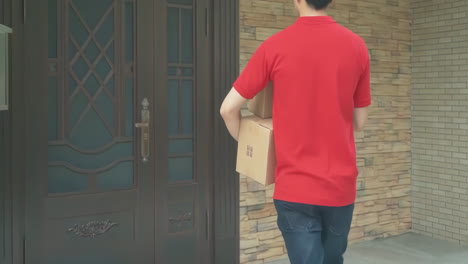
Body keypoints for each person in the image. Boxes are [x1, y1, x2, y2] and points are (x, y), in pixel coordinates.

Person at [220, 0, 371, 263]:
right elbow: (359, 122)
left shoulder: (274, 46)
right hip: (340, 187)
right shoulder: (357, 46)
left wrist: (255, 147)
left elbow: (227, 109)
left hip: (295, 187)